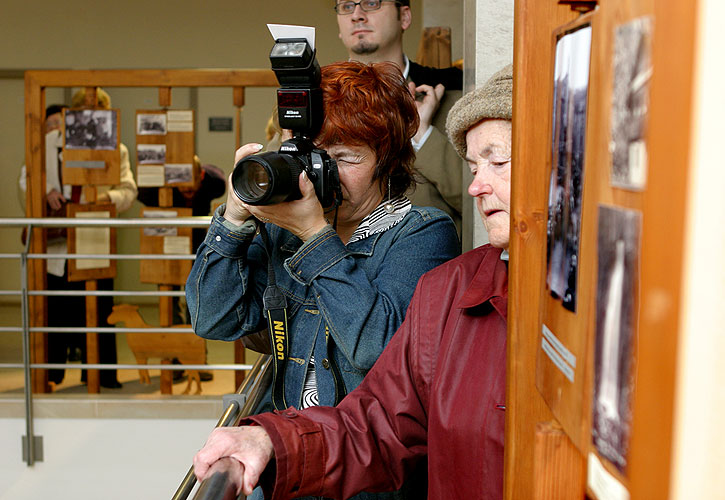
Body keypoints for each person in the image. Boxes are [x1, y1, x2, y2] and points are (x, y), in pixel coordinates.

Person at [192, 64, 514, 500]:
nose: (323, 172)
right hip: (291, 460)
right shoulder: (281, 226)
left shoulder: (419, 231)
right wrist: (234, 218)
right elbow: (213, 319)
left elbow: (378, 352)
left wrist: (314, 237)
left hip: (366, 477)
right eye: (312, 155)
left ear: (388, 160)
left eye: (345, 158)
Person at [19, 89, 138, 389]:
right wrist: (46, 191)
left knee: (98, 308)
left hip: (94, 238)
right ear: (71, 114)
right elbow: (25, 178)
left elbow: (128, 191)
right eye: (83, 108)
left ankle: (99, 374)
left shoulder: (117, 149)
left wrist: (101, 198)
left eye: (97, 107)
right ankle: (51, 373)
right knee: (55, 308)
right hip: (57, 241)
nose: (90, 113)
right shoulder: (47, 143)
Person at [334, 0, 464, 233]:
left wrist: (423, 136)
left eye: (371, 3)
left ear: (404, 17)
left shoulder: (453, 98)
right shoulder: (313, 99)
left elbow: (477, 201)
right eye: (346, 6)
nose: (357, 15)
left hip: (431, 260)